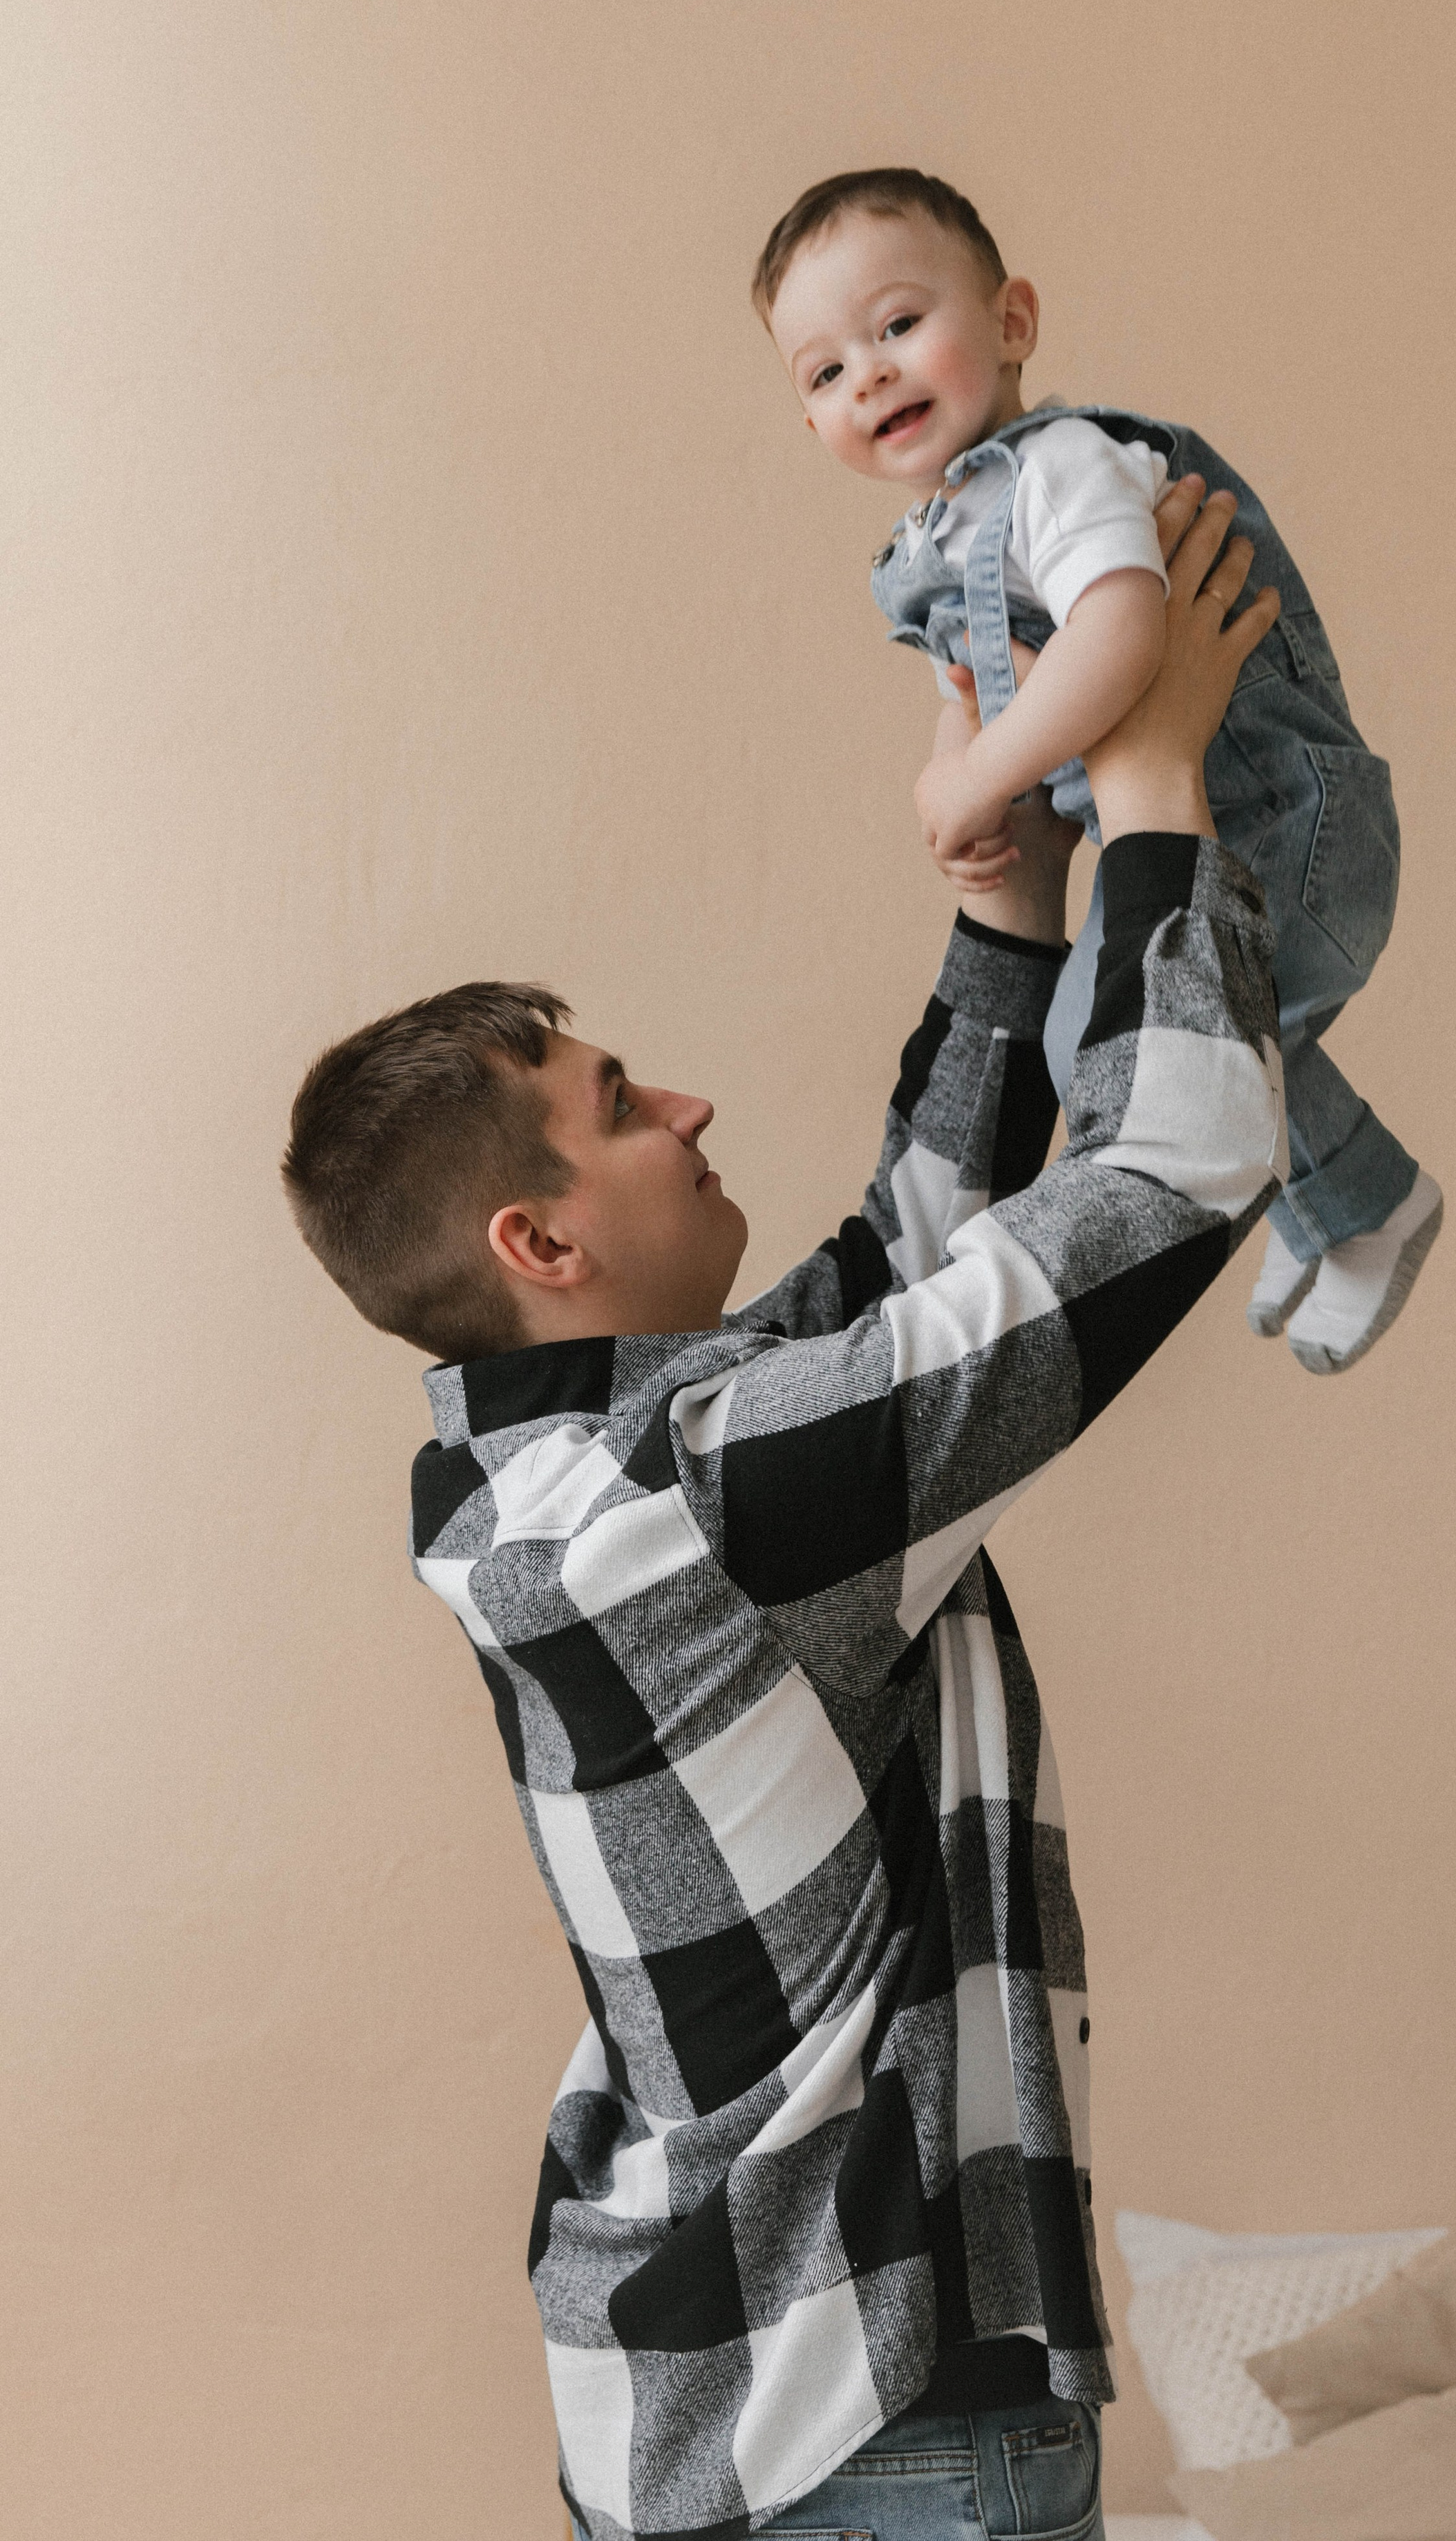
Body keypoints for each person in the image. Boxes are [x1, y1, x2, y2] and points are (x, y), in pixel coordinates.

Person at [281, 488, 1280, 2541]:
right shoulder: (714, 1500)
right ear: (541, 1234)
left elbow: (896, 1282)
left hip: (705, 2429)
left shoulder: (531, 1479)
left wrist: (1006, 897)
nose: (688, 1107)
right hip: (889, 2434)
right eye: (623, 1098)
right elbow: (1176, 1176)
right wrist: (1160, 782)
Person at [754, 167, 1442, 1375]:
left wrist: (978, 782)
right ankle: (1329, 1201)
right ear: (813, 423)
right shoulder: (934, 543)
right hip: (1189, 850)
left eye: (899, 325)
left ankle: (1361, 1199)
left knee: (1113, 1043)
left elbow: (1123, 635)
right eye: (825, 372)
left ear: (1012, 324)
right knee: (1140, 1041)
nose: (867, 373)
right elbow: (971, 700)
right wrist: (956, 785)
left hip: (1283, 831)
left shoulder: (1059, 468)